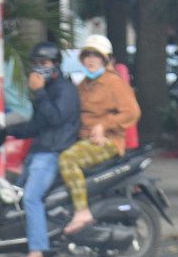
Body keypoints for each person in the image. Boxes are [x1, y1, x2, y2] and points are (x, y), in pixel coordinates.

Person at [4, 41, 81, 257]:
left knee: (31, 198)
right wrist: (6, 131)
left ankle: (37, 254)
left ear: (55, 64)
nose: (39, 67)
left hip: (53, 153)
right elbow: (38, 125)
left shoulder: (64, 89)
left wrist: (38, 92)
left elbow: (55, 118)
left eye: (44, 63)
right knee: (17, 196)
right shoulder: (47, 89)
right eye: (36, 63)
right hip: (39, 150)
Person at [57, 35, 140, 234]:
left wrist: (104, 126)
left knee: (68, 160)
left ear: (106, 60)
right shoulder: (83, 84)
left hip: (108, 142)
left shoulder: (114, 82)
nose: (91, 59)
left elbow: (132, 112)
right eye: (87, 55)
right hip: (85, 139)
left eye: (96, 55)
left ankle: (82, 211)